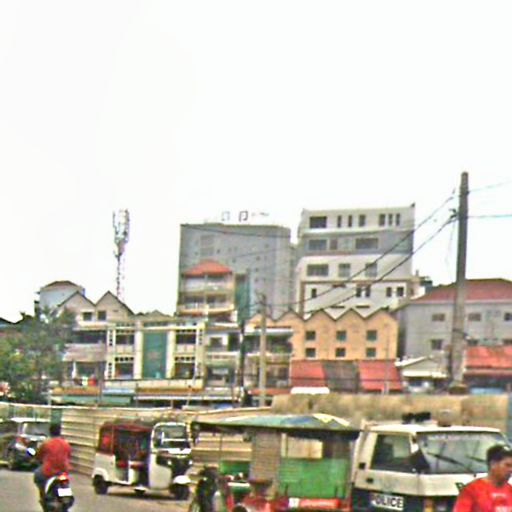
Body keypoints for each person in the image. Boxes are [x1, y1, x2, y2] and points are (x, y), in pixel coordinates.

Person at [454, 443, 512, 512]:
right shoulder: (472, 490)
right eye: (507, 465)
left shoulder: (510, 490)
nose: (510, 469)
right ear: (493, 464)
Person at [34, 423, 72, 503]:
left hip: (49, 471)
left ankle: (43, 494)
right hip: (63, 470)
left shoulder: (46, 443)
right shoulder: (66, 444)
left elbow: (39, 455)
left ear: (50, 432)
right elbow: (68, 456)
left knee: (37, 474)